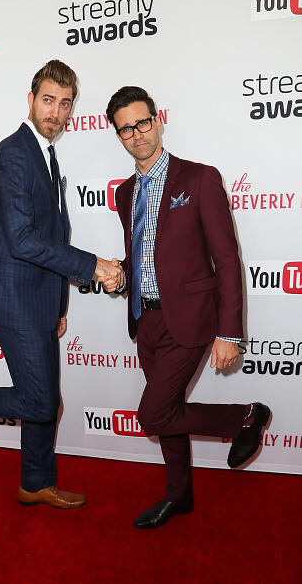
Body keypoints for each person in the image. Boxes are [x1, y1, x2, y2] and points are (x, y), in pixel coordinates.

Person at [0, 60, 122, 509]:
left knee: (43, 400)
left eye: (65, 104)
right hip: (14, 298)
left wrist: (59, 302)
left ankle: (34, 482)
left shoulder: (47, 156)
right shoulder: (12, 153)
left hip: (41, 299)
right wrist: (94, 267)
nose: (56, 111)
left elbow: (53, 237)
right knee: (41, 402)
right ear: (30, 100)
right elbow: (23, 239)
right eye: (48, 100)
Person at [101, 86, 271, 529]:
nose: (136, 134)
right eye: (125, 129)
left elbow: (227, 259)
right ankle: (180, 496)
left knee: (154, 413)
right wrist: (119, 273)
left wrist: (229, 332)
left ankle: (245, 416)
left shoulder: (199, 178)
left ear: (157, 121)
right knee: (169, 409)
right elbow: (145, 254)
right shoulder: (123, 194)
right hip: (145, 320)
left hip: (190, 320)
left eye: (142, 123)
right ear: (117, 135)